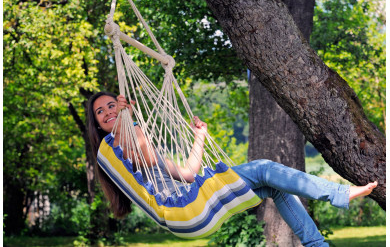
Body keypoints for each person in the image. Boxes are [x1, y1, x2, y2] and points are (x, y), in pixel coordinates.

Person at [87, 91, 378, 247]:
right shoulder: (113, 150)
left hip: (189, 211)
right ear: (98, 125)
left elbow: (188, 173)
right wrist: (130, 118)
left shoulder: (132, 146)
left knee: (272, 186)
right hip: (182, 211)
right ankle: (338, 193)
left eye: (112, 105)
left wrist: (199, 137)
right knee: (263, 167)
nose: (109, 111)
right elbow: (145, 156)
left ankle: (316, 245)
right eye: (101, 111)